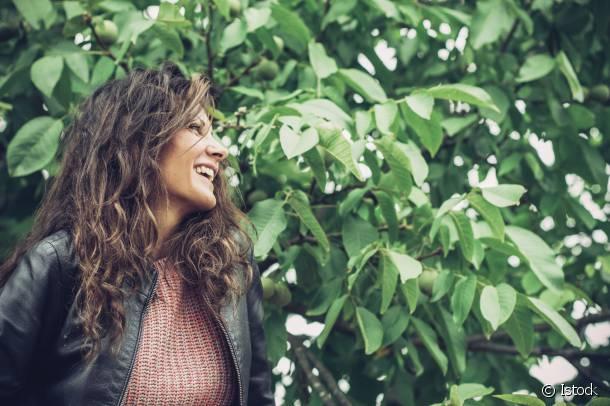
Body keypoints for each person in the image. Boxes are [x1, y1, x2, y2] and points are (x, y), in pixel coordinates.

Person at [0, 63, 274, 405]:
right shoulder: (59, 264)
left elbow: (258, 396)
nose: (220, 150)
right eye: (194, 128)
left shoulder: (231, 267)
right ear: (139, 140)